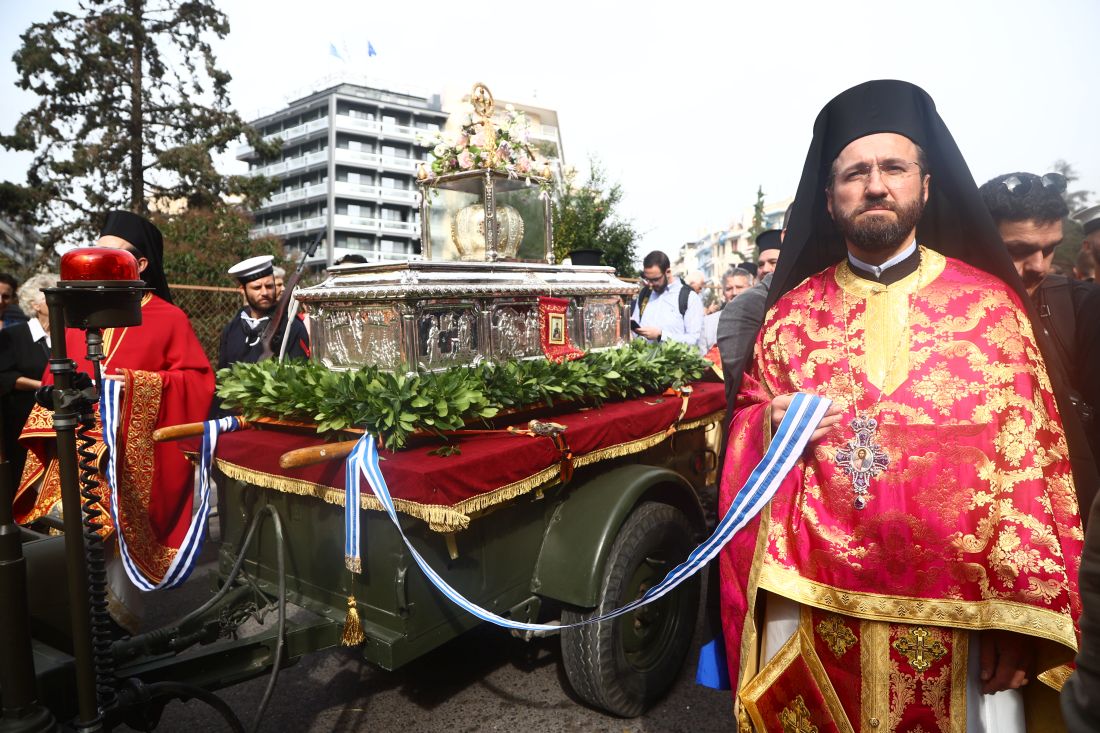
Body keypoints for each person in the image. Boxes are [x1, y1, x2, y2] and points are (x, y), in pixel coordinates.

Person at [719, 80, 1087, 731]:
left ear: (924, 184)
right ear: (830, 199)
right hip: (812, 602)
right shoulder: (790, 316)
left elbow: (1030, 469)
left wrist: (1020, 618)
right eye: (855, 172)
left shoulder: (991, 310)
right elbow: (745, 420)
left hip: (963, 618)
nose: (876, 184)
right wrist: (768, 423)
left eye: (893, 167)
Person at [13, 210, 214, 630]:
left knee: (109, 585)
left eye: (114, 255)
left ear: (140, 265)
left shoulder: (167, 317)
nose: (102, 261)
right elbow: (57, 375)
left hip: (127, 462)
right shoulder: (76, 314)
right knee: (61, 559)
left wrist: (137, 384)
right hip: (73, 453)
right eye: (98, 251)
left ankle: (112, 641)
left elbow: (197, 381)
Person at [979, 171, 1100, 466]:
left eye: (1049, 248)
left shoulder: (1082, 306)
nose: (1038, 266)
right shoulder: (936, 307)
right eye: (1018, 250)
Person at [0, 273, 56, 479]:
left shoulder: (68, 335)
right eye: (51, 297)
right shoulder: (12, 336)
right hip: (21, 424)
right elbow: (5, 377)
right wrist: (44, 385)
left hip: (59, 423)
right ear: (35, 305)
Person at [216, 255, 310, 371]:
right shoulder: (232, 329)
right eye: (257, 287)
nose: (264, 292)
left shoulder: (292, 327)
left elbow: (298, 374)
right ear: (242, 290)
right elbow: (223, 372)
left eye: (269, 286)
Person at [631, 250, 704, 351]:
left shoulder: (689, 297)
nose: (650, 284)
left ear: (668, 272)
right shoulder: (645, 294)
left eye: (655, 279)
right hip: (644, 361)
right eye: (647, 279)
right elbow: (634, 333)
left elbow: (694, 341)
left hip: (675, 364)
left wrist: (661, 335)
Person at [703, 267, 752, 351]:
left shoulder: (762, 319)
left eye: (739, 287)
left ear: (751, 288)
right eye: (729, 289)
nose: (734, 293)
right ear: (723, 292)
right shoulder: (708, 323)